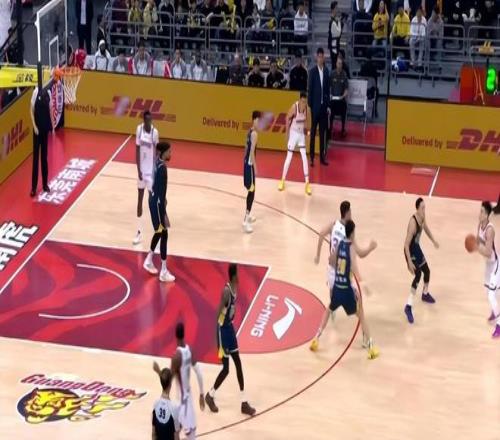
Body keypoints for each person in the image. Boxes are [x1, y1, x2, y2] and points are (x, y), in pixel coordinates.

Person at [310, 201, 377, 350]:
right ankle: (368, 341)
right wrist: (371, 248)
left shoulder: (334, 225)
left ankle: (318, 335)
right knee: (360, 309)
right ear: (347, 213)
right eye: (350, 211)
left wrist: (318, 255)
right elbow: (358, 259)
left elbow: (325, 244)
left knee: (331, 304)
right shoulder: (349, 241)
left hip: (333, 272)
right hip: (345, 278)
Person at [205, 263, 256, 416]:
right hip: (223, 331)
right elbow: (218, 313)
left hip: (230, 329)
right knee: (226, 369)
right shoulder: (226, 292)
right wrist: (216, 338)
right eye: (237, 274)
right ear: (234, 276)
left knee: (238, 364)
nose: (239, 276)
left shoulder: (235, 288)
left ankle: (244, 402)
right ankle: (210, 395)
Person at [154, 323, 205, 440]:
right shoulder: (189, 350)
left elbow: (167, 380)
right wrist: (202, 394)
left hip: (182, 402)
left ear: (175, 336)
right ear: (183, 334)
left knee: (181, 433)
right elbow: (199, 372)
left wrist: (158, 371)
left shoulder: (176, 357)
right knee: (180, 431)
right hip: (188, 398)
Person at [143, 141, 175, 282]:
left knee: (159, 232)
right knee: (164, 233)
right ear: (163, 153)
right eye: (169, 151)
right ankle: (163, 271)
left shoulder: (155, 163)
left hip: (153, 201)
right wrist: (164, 213)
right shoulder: (163, 169)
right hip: (157, 204)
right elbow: (161, 195)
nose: (170, 153)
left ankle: (149, 260)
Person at [403, 197, 439, 324]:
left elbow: (426, 228)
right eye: (422, 208)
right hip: (410, 251)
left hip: (416, 248)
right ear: (417, 209)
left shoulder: (422, 218)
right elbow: (406, 245)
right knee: (418, 275)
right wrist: (409, 261)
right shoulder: (413, 223)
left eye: (425, 208)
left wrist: (433, 240)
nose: (424, 210)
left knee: (427, 271)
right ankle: (408, 306)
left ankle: (425, 293)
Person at [472, 202, 500, 338]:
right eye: (480, 211)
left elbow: (488, 252)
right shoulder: (480, 225)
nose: (480, 214)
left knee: (491, 295)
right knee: (488, 291)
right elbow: (479, 241)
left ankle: (499, 325)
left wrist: (477, 247)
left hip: (495, 265)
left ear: (487, 214)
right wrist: (474, 242)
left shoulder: (490, 230)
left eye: (482, 212)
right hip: (488, 265)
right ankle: (495, 311)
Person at [278, 91, 311, 195]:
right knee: (289, 157)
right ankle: (282, 180)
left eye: (305, 102)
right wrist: (287, 133)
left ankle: (307, 183)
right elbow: (287, 118)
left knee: (304, 157)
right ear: (299, 100)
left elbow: (308, 124)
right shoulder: (294, 107)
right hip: (293, 133)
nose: (304, 104)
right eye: (302, 101)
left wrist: (308, 135)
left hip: (301, 135)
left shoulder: (307, 109)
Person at [134, 110, 159, 245]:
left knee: (153, 202)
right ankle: (139, 232)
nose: (149, 122)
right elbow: (137, 150)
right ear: (144, 120)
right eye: (147, 120)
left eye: (151, 120)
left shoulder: (155, 132)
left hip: (151, 173)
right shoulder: (139, 130)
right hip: (141, 172)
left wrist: (155, 171)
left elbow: (157, 153)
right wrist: (138, 169)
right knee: (139, 200)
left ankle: (158, 232)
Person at [307, 47, 330, 167]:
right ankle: (311, 157)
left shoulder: (326, 71)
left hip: (323, 107)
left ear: (324, 58)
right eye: (319, 56)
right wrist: (311, 105)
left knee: (322, 133)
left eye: (322, 57)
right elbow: (310, 90)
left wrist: (328, 105)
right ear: (316, 57)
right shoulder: (312, 72)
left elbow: (327, 90)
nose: (321, 59)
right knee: (312, 133)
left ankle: (322, 157)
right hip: (315, 107)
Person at [30, 86, 52, 197]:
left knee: (44, 158)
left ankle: (45, 184)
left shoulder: (48, 92)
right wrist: (34, 126)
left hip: (45, 130)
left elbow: (50, 110)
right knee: (36, 159)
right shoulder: (35, 92)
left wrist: (52, 126)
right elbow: (31, 110)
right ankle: (33, 188)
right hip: (37, 131)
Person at [151, 364, 181, 440]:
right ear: (170, 385)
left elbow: (153, 434)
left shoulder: (155, 404)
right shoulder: (174, 407)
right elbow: (176, 437)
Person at [242, 111, 260, 234]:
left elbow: (246, 148)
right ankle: (245, 220)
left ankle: (248, 216)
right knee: (252, 192)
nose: (258, 123)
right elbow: (252, 152)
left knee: (250, 191)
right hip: (250, 166)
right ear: (253, 120)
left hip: (246, 164)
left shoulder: (249, 132)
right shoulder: (254, 134)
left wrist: (245, 162)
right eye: (257, 120)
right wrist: (255, 167)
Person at [329, 57, 349, 139]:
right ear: (336, 64)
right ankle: (330, 128)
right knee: (330, 109)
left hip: (341, 99)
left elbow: (346, 90)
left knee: (344, 107)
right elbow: (329, 87)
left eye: (341, 64)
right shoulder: (332, 73)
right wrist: (330, 94)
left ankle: (343, 129)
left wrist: (343, 96)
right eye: (338, 63)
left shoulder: (344, 74)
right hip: (333, 99)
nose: (339, 65)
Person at [328, 1, 342, 68]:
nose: (337, 10)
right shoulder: (332, 22)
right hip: (334, 46)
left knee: (335, 64)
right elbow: (338, 33)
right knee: (334, 64)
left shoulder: (334, 21)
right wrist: (339, 22)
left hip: (336, 45)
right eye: (336, 8)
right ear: (332, 9)